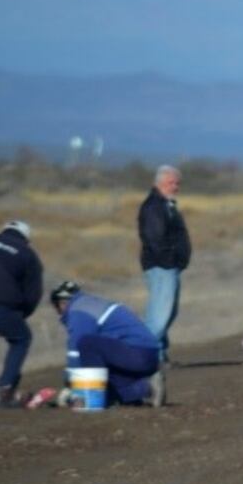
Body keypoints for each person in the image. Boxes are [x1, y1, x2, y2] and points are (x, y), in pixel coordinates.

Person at [50, 281, 162, 407]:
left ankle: (93, 397)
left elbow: (75, 350)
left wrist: (71, 384)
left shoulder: (78, 311)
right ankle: (143, 389)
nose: (58, 312)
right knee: (97, 359)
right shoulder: (89, 303)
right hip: (144, 355)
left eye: (57, 306)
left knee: (87, 344)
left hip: (138, 354)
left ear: (63, 303)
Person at [0, 220, 43, 407]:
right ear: (26, 239)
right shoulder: (28, 255)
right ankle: (4, 391)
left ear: (4, 231)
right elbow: (32, 295)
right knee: (21, 339)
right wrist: (18, 317)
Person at [138, 164, 191, 364]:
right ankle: (146, 357)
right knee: (159, 315)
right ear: (159, 182)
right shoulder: (154, 206)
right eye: (171, 183)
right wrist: (170, 261)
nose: (175, 187)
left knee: (168, 313)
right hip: (161, 267)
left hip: (169, 267)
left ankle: (158, 355)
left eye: (177, 183)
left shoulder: (167, 204)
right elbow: (155, 240)